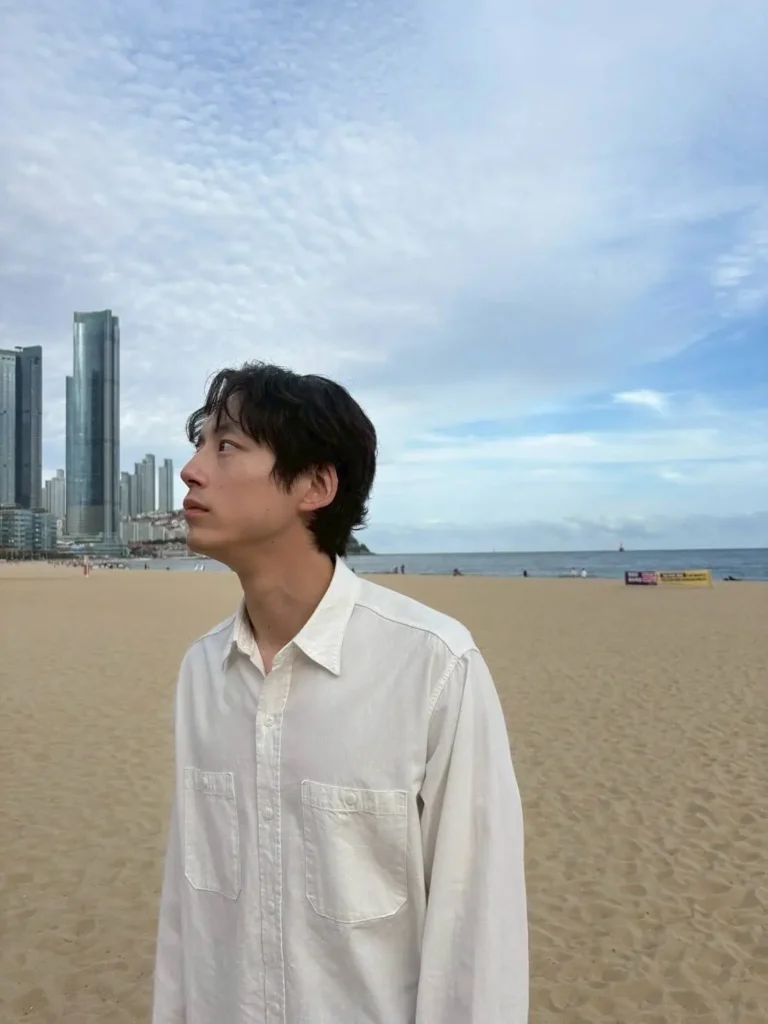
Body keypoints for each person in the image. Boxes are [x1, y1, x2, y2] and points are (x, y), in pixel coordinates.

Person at [152, 361, 528, 1024]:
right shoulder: (203, 671)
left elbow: (476, 924)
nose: (191, 470)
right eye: (199, 444)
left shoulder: (433, 665)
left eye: (226, 446)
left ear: (316, 485)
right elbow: (188, 909)